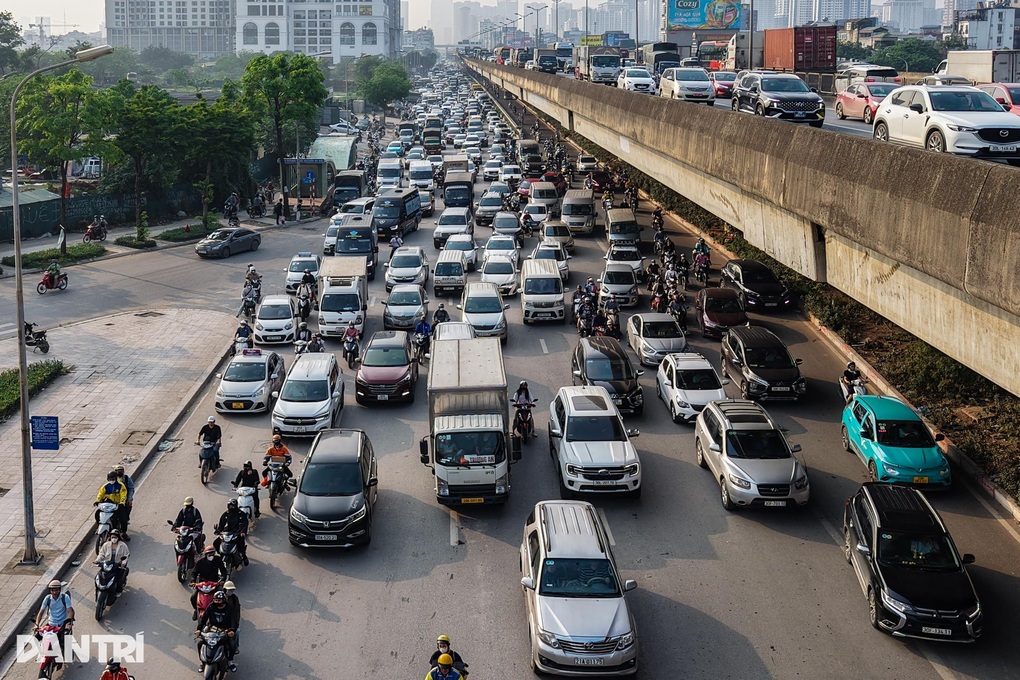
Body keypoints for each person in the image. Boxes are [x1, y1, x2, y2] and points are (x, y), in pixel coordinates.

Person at [195, 591, 238, 674]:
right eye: (215, 600)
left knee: (232, 645)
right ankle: (203, 663)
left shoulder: (230, 608)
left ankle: (229, 661)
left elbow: (234, 621)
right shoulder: (211, 606)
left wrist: (232, 630)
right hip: (212, 629)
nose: (217, 602)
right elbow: (204, 619)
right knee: (200, 643)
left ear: (224, 600)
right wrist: (199, 629)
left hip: (225, 630)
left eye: (219, 600)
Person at [35, 580, 74, 650]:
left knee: (64, 643)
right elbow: (41, 613)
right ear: (50, 591)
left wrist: (68, 623)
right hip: (51, 624)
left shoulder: (65, 597)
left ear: (59, 590)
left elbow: (70, 611)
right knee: (37, 637)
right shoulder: (47, 598)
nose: (54, 592)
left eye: (56, 590)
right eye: (52, 590)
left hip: (62, 625)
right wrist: (37, 624)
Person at [190, 546, 228, 618]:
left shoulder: (218, 560)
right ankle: (196, 610)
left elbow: (223, 570)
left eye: (213, 554)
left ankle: (224, 611)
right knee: (193, 597)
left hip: (214, 583)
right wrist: (193, 581)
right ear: (206, 555)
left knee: (224, 596)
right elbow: (194, 573)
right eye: (209, 554)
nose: (211, 556)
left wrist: (223, 579)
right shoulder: (200, 562)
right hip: (202, 585)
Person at [94, 529, 130, 596]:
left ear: (118, 537)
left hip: (117, 566)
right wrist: (97, 560)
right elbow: (101, 554)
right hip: (107, 565)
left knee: (119, 580)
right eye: (112, 537)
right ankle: (96, 589)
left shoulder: (123, 546)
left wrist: (123, 563)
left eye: (115, 537)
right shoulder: (106, 545)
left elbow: (126, 555)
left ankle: (118, 591)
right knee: (97, 577)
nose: (113, 539)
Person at [216, 499, 249, 567]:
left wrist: (243, 531)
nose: (231, 507)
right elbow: (221, 524)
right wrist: (218, 531)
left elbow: (244, 523)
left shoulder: (241, 514)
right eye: (230, 506)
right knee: (216, 543)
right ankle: (221, 554)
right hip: (227, 533)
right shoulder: (226, 514)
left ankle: (244, 556)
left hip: (237, 532)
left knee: (240, 544)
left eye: (232, 506)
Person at [95, 471, 128, 535]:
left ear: (116, 479)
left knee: (123, 519)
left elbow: (123, 495)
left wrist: (121, 503)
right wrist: (97, 501)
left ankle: (124, 533)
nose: (111, 480)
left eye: (113, 479)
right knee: (97, 514)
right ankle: (98, 527)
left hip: (117, 505)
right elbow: (100, 494)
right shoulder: (105, 486)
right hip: (108, 504)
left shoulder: (121, 486)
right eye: (110, 479)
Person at [112, 464, 134, 540]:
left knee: (123, 519)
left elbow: (131, 489)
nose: (119, 473)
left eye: (121, 471)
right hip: (113, 502)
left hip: (122, 502)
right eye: (118, 471)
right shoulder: (112, 480)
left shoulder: (127, 479)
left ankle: (124, 533)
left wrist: (129, 498)